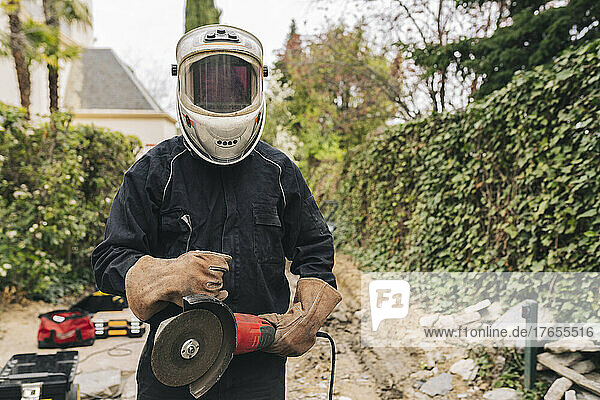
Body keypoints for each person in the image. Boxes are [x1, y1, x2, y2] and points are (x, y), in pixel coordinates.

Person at [91, 24, 341, 400]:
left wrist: (309, 310)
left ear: (257, 85)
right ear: (184, 83)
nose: (223, 95)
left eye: (235, 84)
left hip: (259, 366)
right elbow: (110, 260)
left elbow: (315, 248)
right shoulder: (155, 171)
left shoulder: (278, 171)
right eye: (209, 84)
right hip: (173, 362)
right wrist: (168, 274)